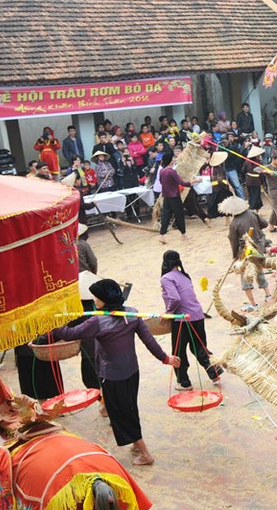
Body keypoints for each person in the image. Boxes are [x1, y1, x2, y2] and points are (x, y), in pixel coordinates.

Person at [51, 278, 180, 466]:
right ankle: (136, 444)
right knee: (129, 408)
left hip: (112, 375)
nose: (94, 301)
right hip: (131, 371)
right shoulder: (132, 313)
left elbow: (70, 334)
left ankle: (145, 453)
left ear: (104, 300)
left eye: (97, 298)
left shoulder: (97, 321)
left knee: (121, 413)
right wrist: (165, 358)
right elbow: (148, 340)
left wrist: (53, 324)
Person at [160, 250, 222, 391]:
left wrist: (168, 313)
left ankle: (184, 382)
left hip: (182, 319)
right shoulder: (184, 275)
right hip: (198, 315)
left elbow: (175, 298)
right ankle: (214, 373)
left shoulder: (166, 278)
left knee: (179, 351)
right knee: (199, 346)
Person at [222, 196, 272, 311]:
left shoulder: (234, 223)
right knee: (259, 271)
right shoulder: (252, 213)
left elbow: (233, 240)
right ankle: (268, 295)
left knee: (246, 277)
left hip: (246, 252)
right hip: (259, 248)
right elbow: (264, 224)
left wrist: (235, 255)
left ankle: (253, 304)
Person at [158, 150, 202, 244]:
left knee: (165, 215)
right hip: (174, 195)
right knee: (179, 215)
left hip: (166, 195)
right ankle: (183, 234)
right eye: (173, 158)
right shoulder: (172, 171)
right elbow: (182, 183)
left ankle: (162, 235)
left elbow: (161, 182)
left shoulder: (162, 171)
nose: (174, 159)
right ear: (170, 160)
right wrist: (194, 181)